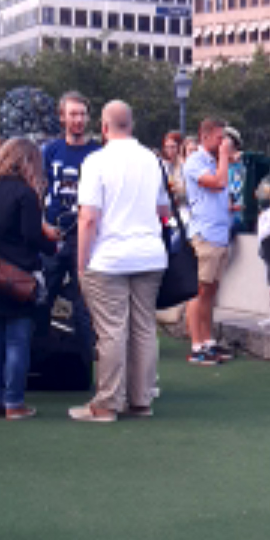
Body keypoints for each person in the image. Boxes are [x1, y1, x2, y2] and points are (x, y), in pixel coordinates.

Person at [70, 101, 168, 422]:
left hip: (109, 256)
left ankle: (108, 402)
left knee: (111, 331)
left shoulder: (96, 161)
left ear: (103, 126)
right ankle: (141, 399)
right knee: (144, 328)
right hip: (149, 253)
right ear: (131, 124)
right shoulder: (152, 160)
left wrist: (81, 263)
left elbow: (88, 218)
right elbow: (163, 210)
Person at [0, 137, 55, 420]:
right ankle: (14, 402)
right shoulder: (25, 193)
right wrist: (52, 243)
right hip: (18, 276)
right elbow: (32, 236)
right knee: (17, 341)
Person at [41, 91, 97, 374]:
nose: (78, 120)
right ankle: (35, 366)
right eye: (73, 114)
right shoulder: (49, 151)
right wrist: (42, 225)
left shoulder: (98, 153)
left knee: (85, 305)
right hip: (52, 233)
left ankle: (92, 373)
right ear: (62, 117)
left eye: (82, 114)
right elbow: (38, 189)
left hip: (84, 236)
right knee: (42, 300)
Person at [182, 119, 236, 365]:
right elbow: (217, 183)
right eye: (219, 137)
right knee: (199, 289)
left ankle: (207, 340)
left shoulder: (216, 162)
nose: (223, 142)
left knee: (211, 291)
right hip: (204, 234)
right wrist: (224, 156)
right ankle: (196, 344)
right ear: (205, 137)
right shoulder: (195, 161)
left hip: (220, 234)